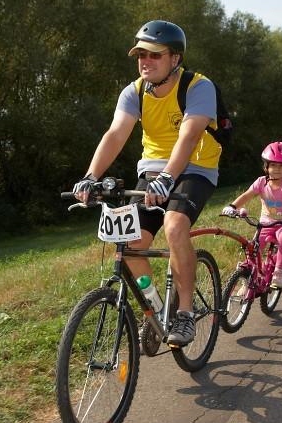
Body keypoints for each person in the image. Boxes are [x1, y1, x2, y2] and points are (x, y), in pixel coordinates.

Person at [73, 20, 222, 346]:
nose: (145, 61)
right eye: (141, 54)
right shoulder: (134, 91)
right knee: (129, 243)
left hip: (196, 168)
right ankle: (155, 308)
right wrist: (90, 176)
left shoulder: (198, 87)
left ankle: (185, 312)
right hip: (153, 172)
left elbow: (189, 135)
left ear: (175, 58)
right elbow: (115, 134)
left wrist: (169, 178)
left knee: (175, 226)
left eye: (155, 55)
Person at [221, 142, 282, 288]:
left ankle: (278, 272)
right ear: (266, 166)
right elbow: (247, 195)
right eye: (273, 165)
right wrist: (233, 206)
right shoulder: (261, 182)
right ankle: (247, 279)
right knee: (254, 248)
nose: (277, 169)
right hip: (265, 223)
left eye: (281, 166)